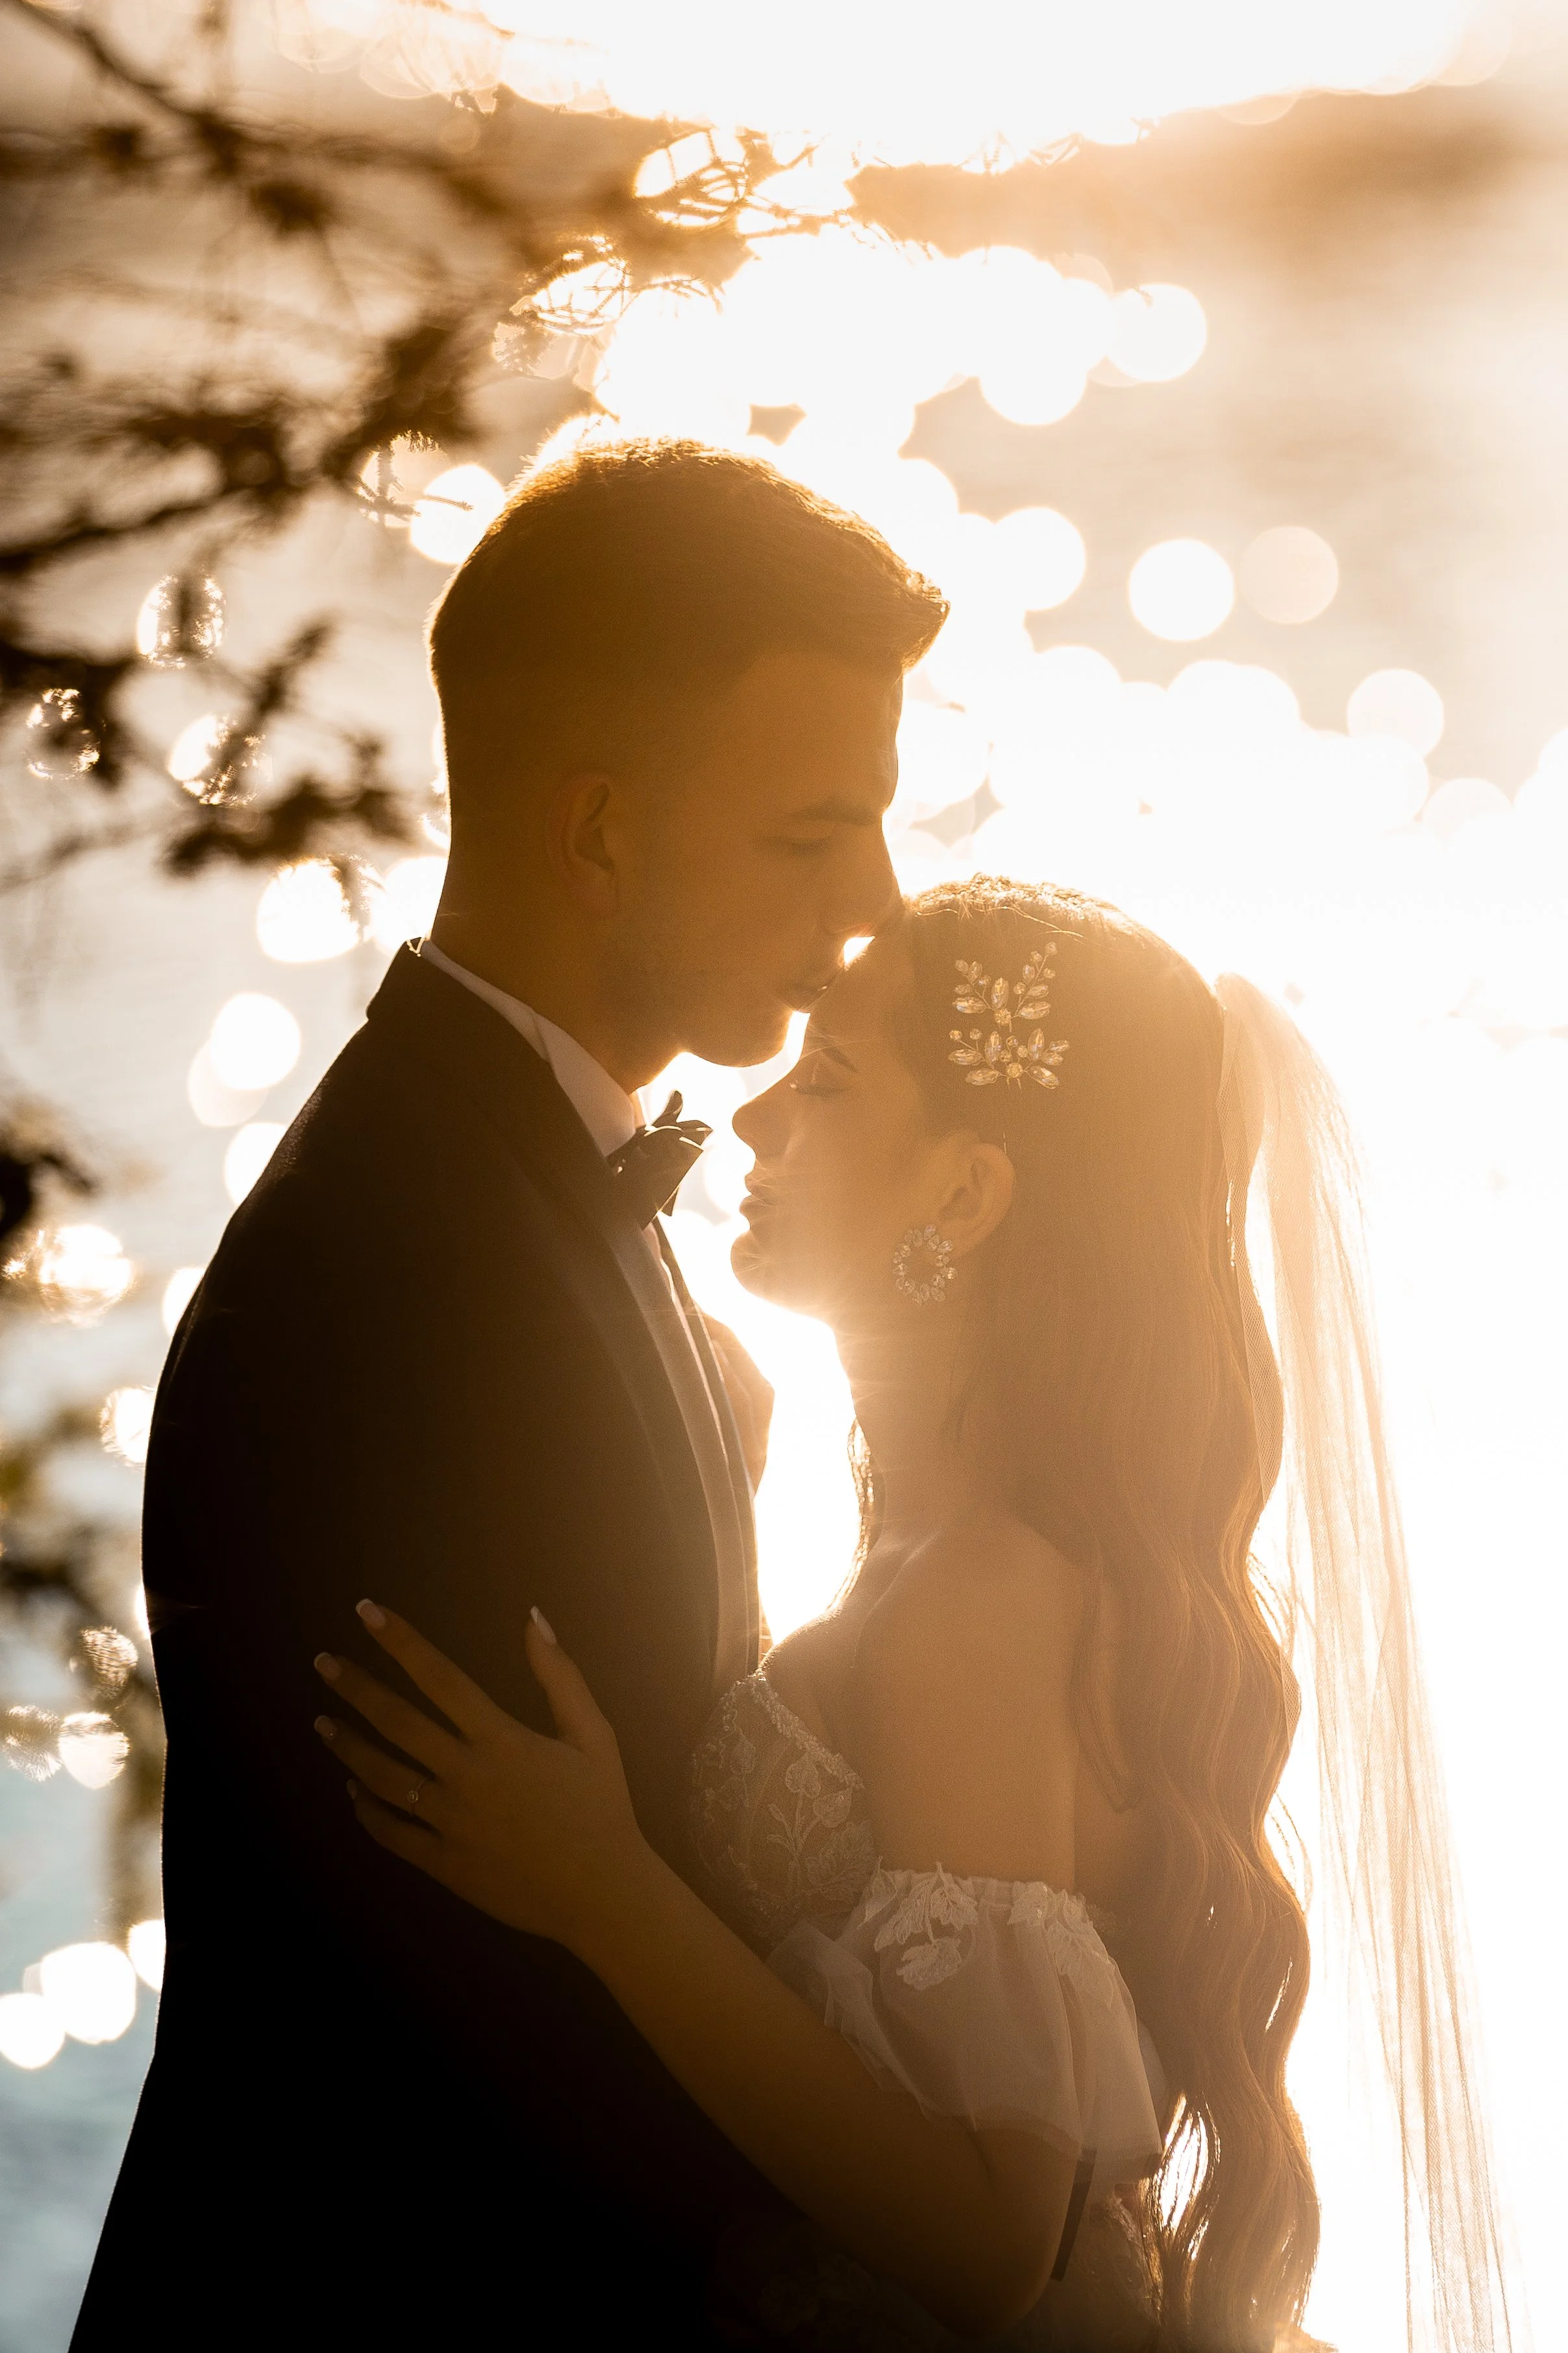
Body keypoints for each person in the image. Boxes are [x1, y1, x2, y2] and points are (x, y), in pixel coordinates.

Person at [309, 878, 1516, 2352]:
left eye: (827, 1077)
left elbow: (995, 2244)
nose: (751, 1121)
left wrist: (602, 1888)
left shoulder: (982, 1595)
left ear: (963, 1193)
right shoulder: (946, 1558)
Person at [71, 441, 948, 2350]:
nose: (873, 902)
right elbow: (475, 2015)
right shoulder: (400, 1278)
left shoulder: (534, 1187)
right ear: (600, 830)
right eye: (810, 835)